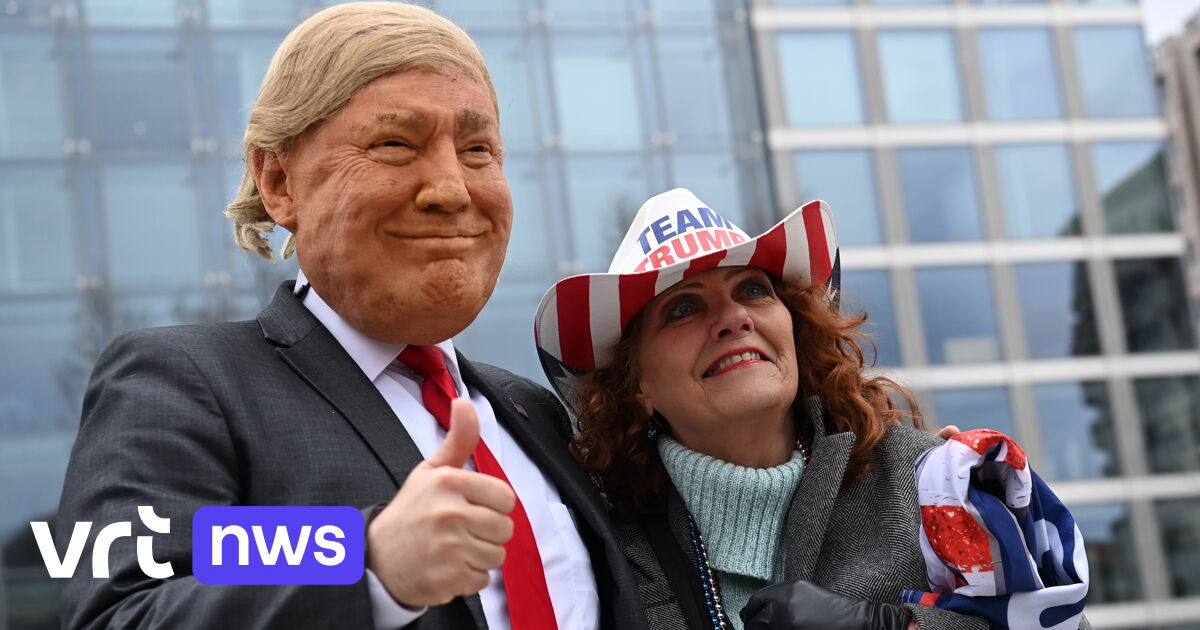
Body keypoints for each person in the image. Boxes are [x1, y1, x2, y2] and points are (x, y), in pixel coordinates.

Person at [55, 4, 644, 629]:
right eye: (394, 144)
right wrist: (371, 571)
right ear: (280, 181)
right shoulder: (182, 383)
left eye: (478, 149)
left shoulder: (539, 413)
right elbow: (119, 614)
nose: (450, 189)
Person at [534, 188, 1090, 630]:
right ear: (636, 386)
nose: (733, 318)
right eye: (683, 308)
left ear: (795, 329)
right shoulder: (599, 552)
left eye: (753, 290)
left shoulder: (927, 484)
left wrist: (894, 628)